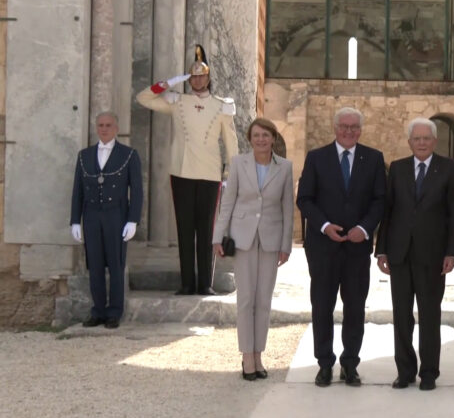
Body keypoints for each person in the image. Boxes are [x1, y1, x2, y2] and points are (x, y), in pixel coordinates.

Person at [136, 44, 238, 296]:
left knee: (206, 229)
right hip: (181, 170)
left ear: (209, 78)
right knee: (184, 228)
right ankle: (186, 283)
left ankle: (205, 283)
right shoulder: (177, 101)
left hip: (210, 172)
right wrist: (169, 82)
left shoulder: (222, 105)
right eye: (193, 76)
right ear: (188, 78)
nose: (197, 80)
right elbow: (143, 98)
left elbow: (231, 142)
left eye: (201, 75)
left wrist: (231, 174)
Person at [296, 107, 387, 387]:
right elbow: (305, 199)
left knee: (355, 307)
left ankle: (350, 364)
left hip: (357, 248)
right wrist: (324, 226)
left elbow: (380, 200)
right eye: (344, 126)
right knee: (322, 306)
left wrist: (364, 228)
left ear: (361, 130)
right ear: (335, 128)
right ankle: (324, 363)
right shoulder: (316, 157)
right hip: (323, 247)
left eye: (354, 127)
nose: (349, 131)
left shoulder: (373, 158)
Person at [375, 118, 454, 391]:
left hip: (433, 255)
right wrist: (382, 250)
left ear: (434, 142)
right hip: (400, 254)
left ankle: (428, 373)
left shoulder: (448, 168)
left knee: (429, 315)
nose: (422, 143)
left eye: (426, 138)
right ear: (410, 141)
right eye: (417, 139)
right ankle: (405, 371)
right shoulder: (398, 169)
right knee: (401, 316)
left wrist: (452, 252)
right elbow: (388, 212)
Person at [212, 118, 294, 380]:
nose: (261, 140)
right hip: (243, 237)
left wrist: (286, 245)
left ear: (273, 138)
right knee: (246, 299)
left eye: (265, 135)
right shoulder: (238, 163)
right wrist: (218, 236)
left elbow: (287, 209)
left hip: (271, 239)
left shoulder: (285, 167)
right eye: (256, 135)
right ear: (250, 139)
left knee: (264, 301)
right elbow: (228, 202)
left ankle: (260, 354)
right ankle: (247, 356)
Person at [70, 111, 143, 329]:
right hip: (91, 215)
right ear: (96, 127)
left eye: (108, 125)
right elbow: (78, 191)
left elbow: (137, 191)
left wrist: (133, 220)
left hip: (116, 215)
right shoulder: (84, 156)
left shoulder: (129, 155)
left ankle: (114, 312)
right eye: (100, 125)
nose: (104, 129)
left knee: (116, 264)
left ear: (116, 128)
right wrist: (75, 220)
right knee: (95, 265)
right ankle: (98, 311)